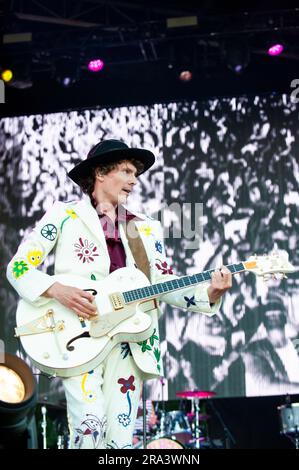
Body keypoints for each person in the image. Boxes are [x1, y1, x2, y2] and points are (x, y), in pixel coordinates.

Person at [6, 139, 232, 449]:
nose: (134, 180)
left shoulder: (146, 229)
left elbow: (164, 284)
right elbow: (18, 268)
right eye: (126, 171)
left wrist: (210, 291)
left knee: (120, 439)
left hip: (129, 339)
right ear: (100, 172)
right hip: (78, 337)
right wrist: (57, 289)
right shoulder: (64, 215)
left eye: (136, 173)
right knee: (90, 424)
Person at [242, 296, 299, 396]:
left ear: (285, 317)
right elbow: (267, 385)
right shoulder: (253, 349)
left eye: (277, 309)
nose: (272, 313)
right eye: (268, 310)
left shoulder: (296, 342)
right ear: (263, 320)